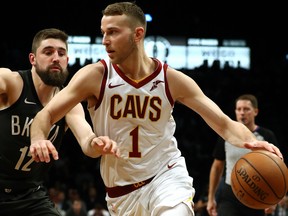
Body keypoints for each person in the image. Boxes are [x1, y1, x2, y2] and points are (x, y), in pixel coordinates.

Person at [29, 3, 282, 216]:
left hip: (167, 175)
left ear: (137, 34)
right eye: (103, 32)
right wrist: (38, 138)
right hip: (122, 192)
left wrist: (252, 142)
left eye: (113, 32)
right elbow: (46, 115)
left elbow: (224, 123)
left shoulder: (172, 79)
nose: (105, 40)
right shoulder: (95, 76)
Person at [0, 28, 119, 216]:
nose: (56, 57)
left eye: (61, 53)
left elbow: (86, 140)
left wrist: (97, 144)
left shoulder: (70, 105)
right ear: (32, 59)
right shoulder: (10, 82)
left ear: (67, 61)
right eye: (48, 52)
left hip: (30, 195)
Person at [206, 94, 279, 216]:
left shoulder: (267, 136)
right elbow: (217, 167)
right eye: (239, 109)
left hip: (257, 193)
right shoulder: (226, 136)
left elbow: (277, 170)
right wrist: (210, 198)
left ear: (255, 111)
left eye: (246, 109)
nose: (242, 113)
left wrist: (273, 200)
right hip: (229, 193)